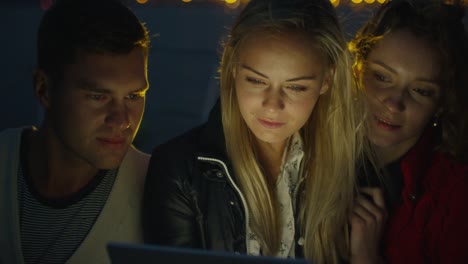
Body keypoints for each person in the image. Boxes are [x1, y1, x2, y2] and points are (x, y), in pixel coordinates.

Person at [143, 0, 372, 263]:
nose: (272, 106)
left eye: (296, 87)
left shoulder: (353, 170)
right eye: (256, 80)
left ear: (326, 81)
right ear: (232, 68)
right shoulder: (180, 170)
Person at [0, 0, 150, 263]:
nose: (121, 120)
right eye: (97, 96)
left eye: (134, 96)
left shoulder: (159, 189)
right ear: (44, 89)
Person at [349, 0, 468, 263]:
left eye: (421, 91)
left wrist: (367, 257)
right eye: (382, 77)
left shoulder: (455, 199)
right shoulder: (304, 151)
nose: (394, 103)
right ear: (358, 72)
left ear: (441, 104)